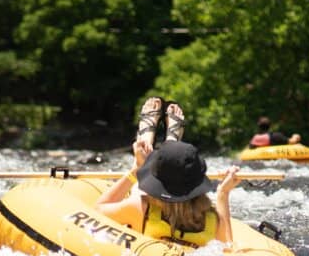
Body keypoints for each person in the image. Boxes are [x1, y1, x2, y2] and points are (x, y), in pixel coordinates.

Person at [97, 97, 239, 248]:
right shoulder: (213, 219)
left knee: (137, 190)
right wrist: (223, 194)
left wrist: (135, 171)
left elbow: (99, 210)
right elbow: (228, 250)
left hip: (148, 249)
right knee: (170, 170)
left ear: (156, 184)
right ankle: (171, 143)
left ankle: (147, 149)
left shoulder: (141, 207)